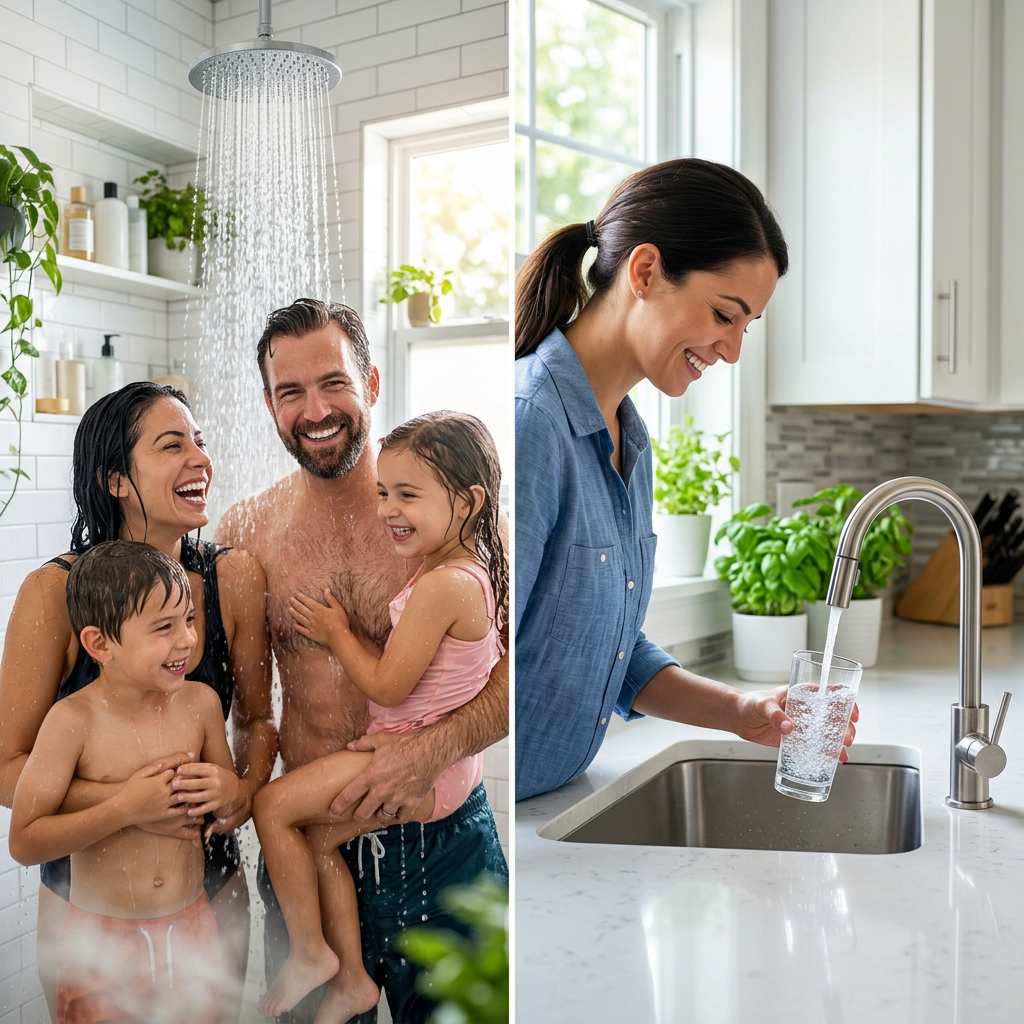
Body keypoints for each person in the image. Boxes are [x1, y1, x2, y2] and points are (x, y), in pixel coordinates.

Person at [514, 157, 858, 801]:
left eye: (747, 326)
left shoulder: (629, 441)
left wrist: (741, 712)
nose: (732, 350)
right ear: (645, 272)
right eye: (725, 315)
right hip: (514, 825)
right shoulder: (532, 423)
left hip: (560, 802)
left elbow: (608, 648)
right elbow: (488, 662)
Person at [218, 298, 508, 1023]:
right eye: (291, 392)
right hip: (316, 853)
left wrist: (428, 753)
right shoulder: (247, 533)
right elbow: (251, 712)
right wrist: (238, 795)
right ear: (269, 404)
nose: (315, 410)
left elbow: (519, 675)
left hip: (440, 844)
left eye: (334, 383)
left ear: (372, 384)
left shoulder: (456, 525)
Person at [0, 382, 276, 1021]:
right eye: (172, 445)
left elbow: (259, 720)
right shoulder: (55, 594)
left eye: (200, 442)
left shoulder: (233, 578)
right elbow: (9, 771)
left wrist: (245, 786)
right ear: (116, 479)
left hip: (210, 889)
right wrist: (133, 805)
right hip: (85, 904)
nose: (200, 459)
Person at [8, 541, 240, 1024]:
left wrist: (230, 792)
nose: (185, 641)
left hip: (192, 928)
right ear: (100, 644)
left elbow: (228, 807)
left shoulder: (201, 705)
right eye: (163, 628)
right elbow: (25, 843)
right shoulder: (71, 721)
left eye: (189, 620)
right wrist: (124, 809)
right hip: (102, 949)